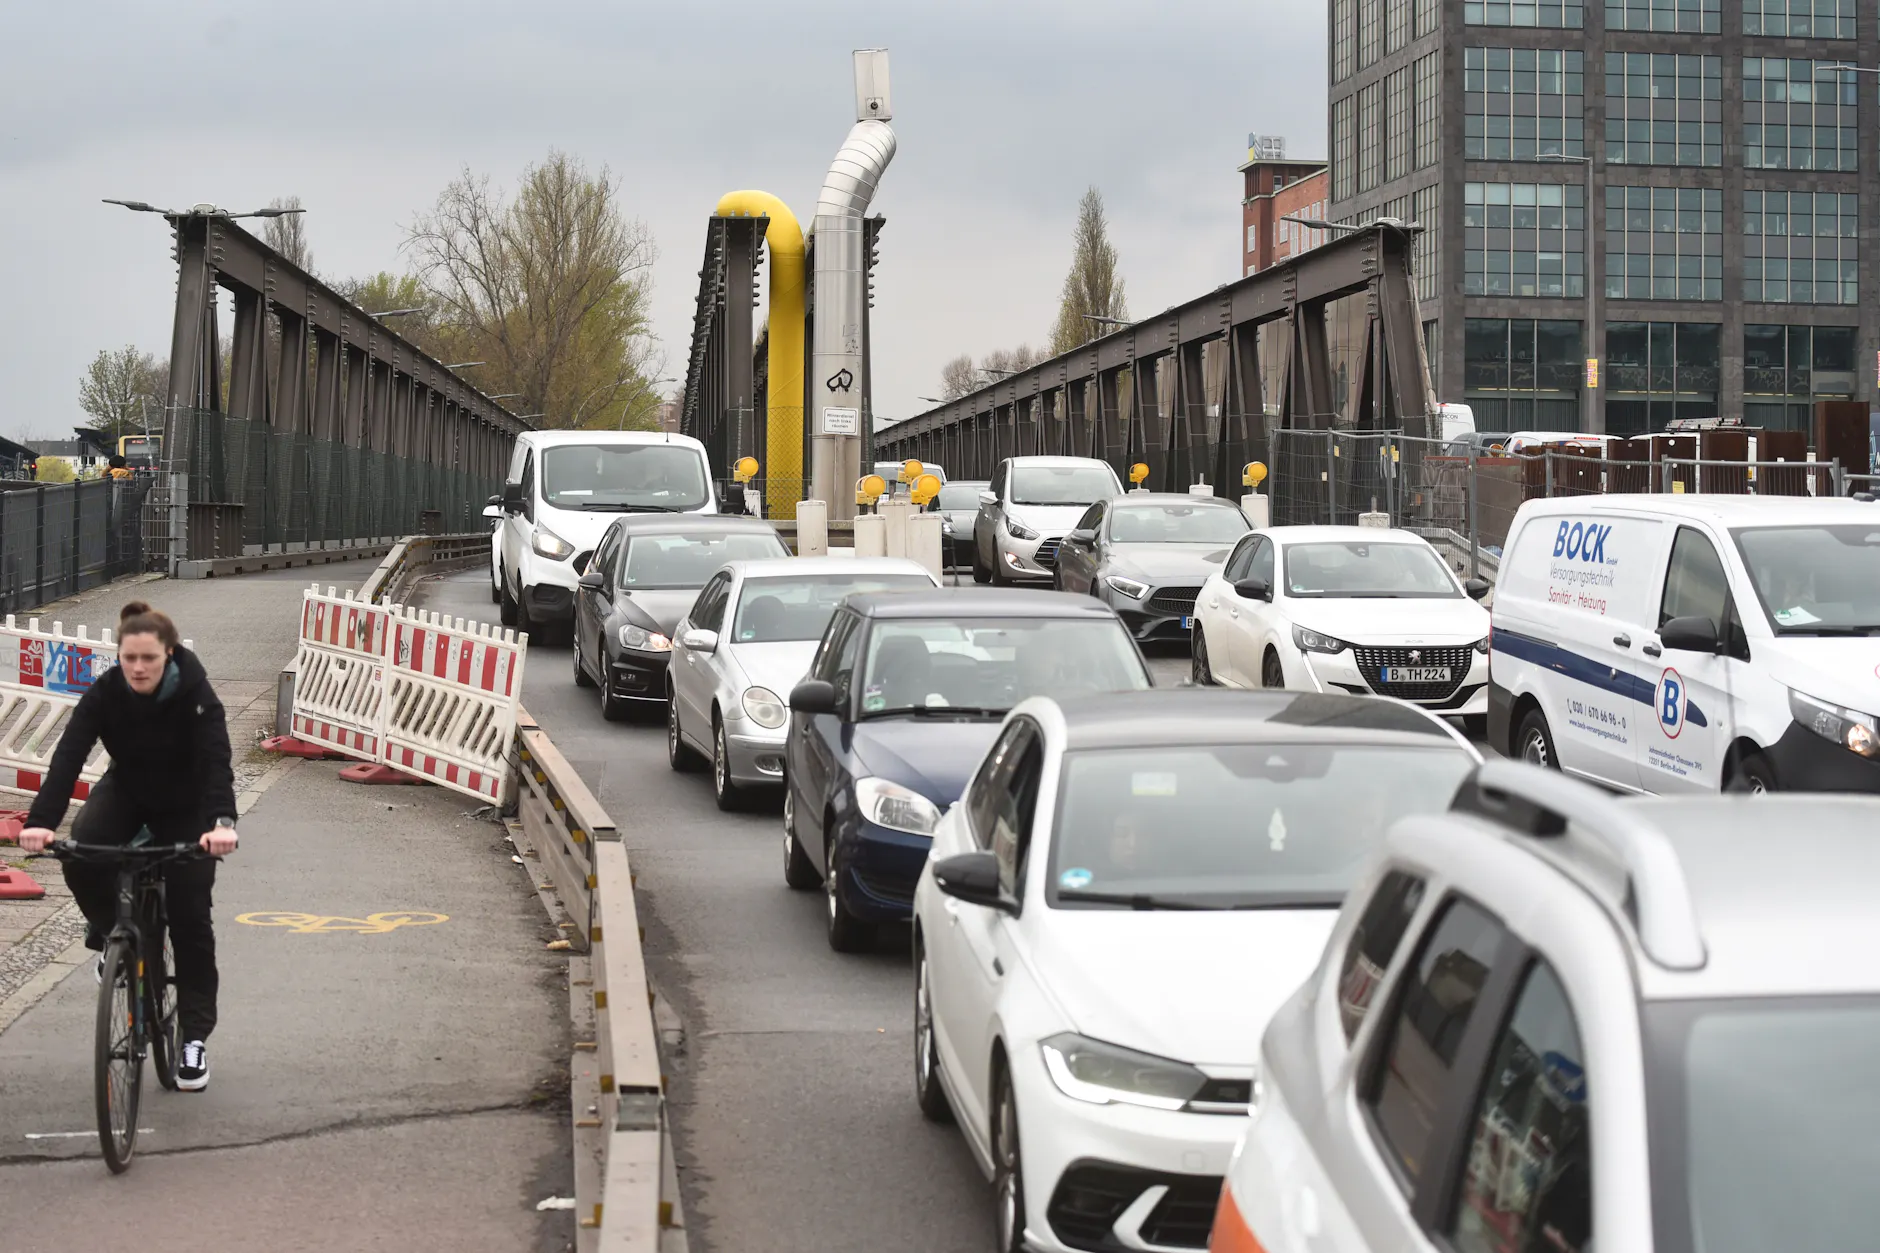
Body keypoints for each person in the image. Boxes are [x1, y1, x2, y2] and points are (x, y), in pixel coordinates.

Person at [18, 601, 238, 1092]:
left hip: (187, 804)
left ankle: (193, 1040)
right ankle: (111, 932)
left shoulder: (195, 693)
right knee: (82, 853)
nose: (138, 668)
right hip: (129, 790)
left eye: (149, 660)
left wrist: (221, 822)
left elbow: (217, 759)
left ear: (169, 655)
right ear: (119, 655)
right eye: (129, 658)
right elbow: (68, 757)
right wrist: (40, 823)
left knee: (189, 915)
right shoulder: (107, 692)